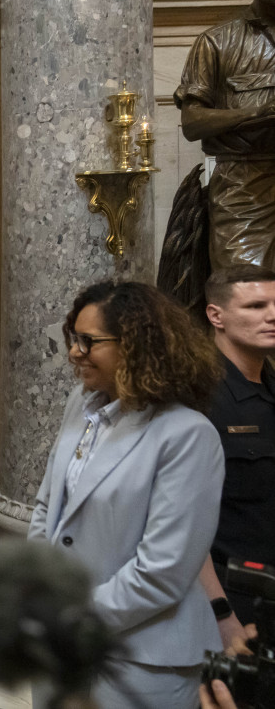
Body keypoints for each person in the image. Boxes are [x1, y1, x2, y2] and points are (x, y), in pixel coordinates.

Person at [29, 281, 226, 709]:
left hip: (140, 659)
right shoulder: (81, 405)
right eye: (72, 338)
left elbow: (163, 571)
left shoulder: (186, 435)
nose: (74, 352)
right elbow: (48, 507)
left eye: (89, 341)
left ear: (136, 345)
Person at [175, 0, 275, 273]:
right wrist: (259, 113)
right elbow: (192, 123)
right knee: (245, 286)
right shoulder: (217, 42)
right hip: (244, 187)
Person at [198, 265, 275, 655]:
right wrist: (221, 615)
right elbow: (183, 527)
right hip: (233, 609)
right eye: (257, 305)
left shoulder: (269, 386)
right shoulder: (200, 397)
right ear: (217, 316)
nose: (273, 315)